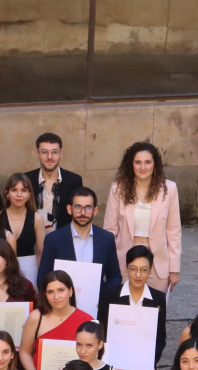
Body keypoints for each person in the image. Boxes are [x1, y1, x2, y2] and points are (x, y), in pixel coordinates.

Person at [104, 142, 182, 295]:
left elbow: (174, 231)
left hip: (157, 262)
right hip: (125, 260)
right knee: (124, 312)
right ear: (130, 164)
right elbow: (110, 230)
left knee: (154, 311)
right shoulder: (118, 189)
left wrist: (174, 269)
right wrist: (108, 265)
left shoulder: (169, 189)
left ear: (155, 164)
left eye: (148, 162)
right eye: (138, 162)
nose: (143, 167)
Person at [105, 244, 169, 370]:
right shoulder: (110, 295)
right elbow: (103, 332)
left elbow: (160, 338)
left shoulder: (157, 299)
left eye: (143, 270)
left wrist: (148, 363)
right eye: (133, 269)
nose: (138, 275)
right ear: (126, 269)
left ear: (150, 271)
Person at [19, 272, 94, 370]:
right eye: (50, 292)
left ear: (70, 291)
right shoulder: (36, 317)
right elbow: (25, 352)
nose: (56, 296)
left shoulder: (87, 320)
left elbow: (93, 358)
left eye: (61, 290)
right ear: (44, 295)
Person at [37, 188, 121, 321]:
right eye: (78, 207)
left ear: (95, 211)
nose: (83, 212)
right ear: (69, 209)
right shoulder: (54, 239)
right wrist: (56, 299)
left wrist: (103, 298)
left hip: (96, 311)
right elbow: (42, 278)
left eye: (88, 207)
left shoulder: (107, 239)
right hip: (61, 313)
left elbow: (115, 276)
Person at [23, 132, 82, 237]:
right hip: (32, 244)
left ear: (61, 153)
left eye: (54, 152)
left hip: (63, 243)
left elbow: (77, 214)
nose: (49, 157)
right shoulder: (26, 179)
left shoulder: (74, 181)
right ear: (37, 153)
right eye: (44, 152)